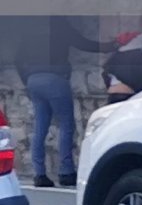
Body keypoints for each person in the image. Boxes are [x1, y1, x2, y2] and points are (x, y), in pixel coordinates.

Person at [12, 15, 113, 188]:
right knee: (66, 125)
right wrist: (110, 46)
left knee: (40, 128)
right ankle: (66, 172)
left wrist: (27, 79)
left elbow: (18, 58)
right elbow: (83, 43)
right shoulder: (60, 24)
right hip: (55, 79)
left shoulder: (32, 28)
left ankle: (40, 174)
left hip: (34, 80)